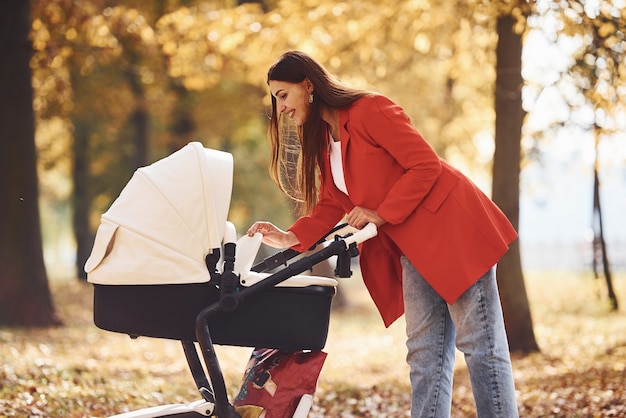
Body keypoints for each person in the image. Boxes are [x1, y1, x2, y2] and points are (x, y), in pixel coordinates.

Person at [247, 50, 519, 418]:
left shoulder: (369, 110)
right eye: (275, 98)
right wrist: (289, 237)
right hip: (412, 247)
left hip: (452, 231)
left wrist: (381, 213)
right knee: (425, 354)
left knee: (481, 347)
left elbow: (424, 165)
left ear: (308, 85)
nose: (279, 108)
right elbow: (332, 202)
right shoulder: (328, 139)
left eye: (283, 95)